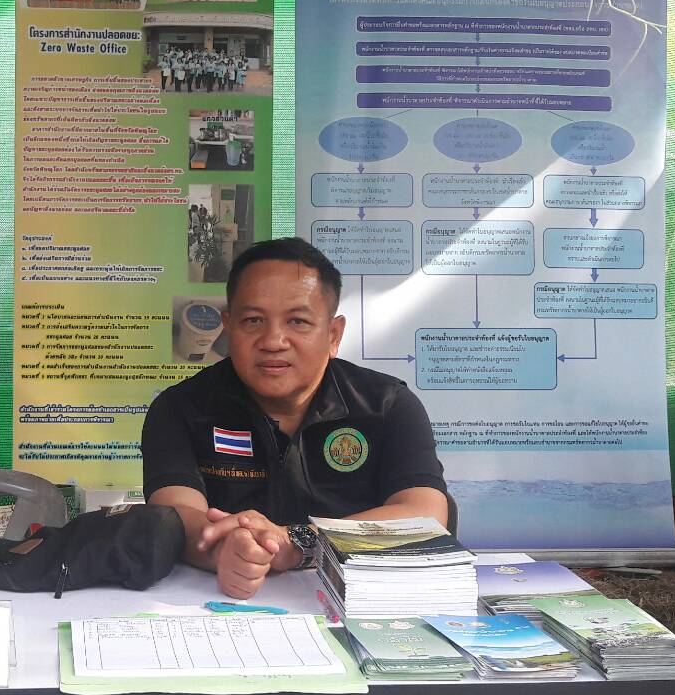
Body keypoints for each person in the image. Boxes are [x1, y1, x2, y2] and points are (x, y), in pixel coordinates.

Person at [141, 238, 449, 599]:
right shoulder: (180, 409)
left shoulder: (387, 406)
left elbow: (424, 512)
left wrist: (299, 542)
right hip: (218, 600)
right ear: (228, 326)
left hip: (360, 602)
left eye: (298, 321)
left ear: (333, 335)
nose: (273, 340)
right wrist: (225, 549)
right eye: (253, 320)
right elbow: (175, 515)